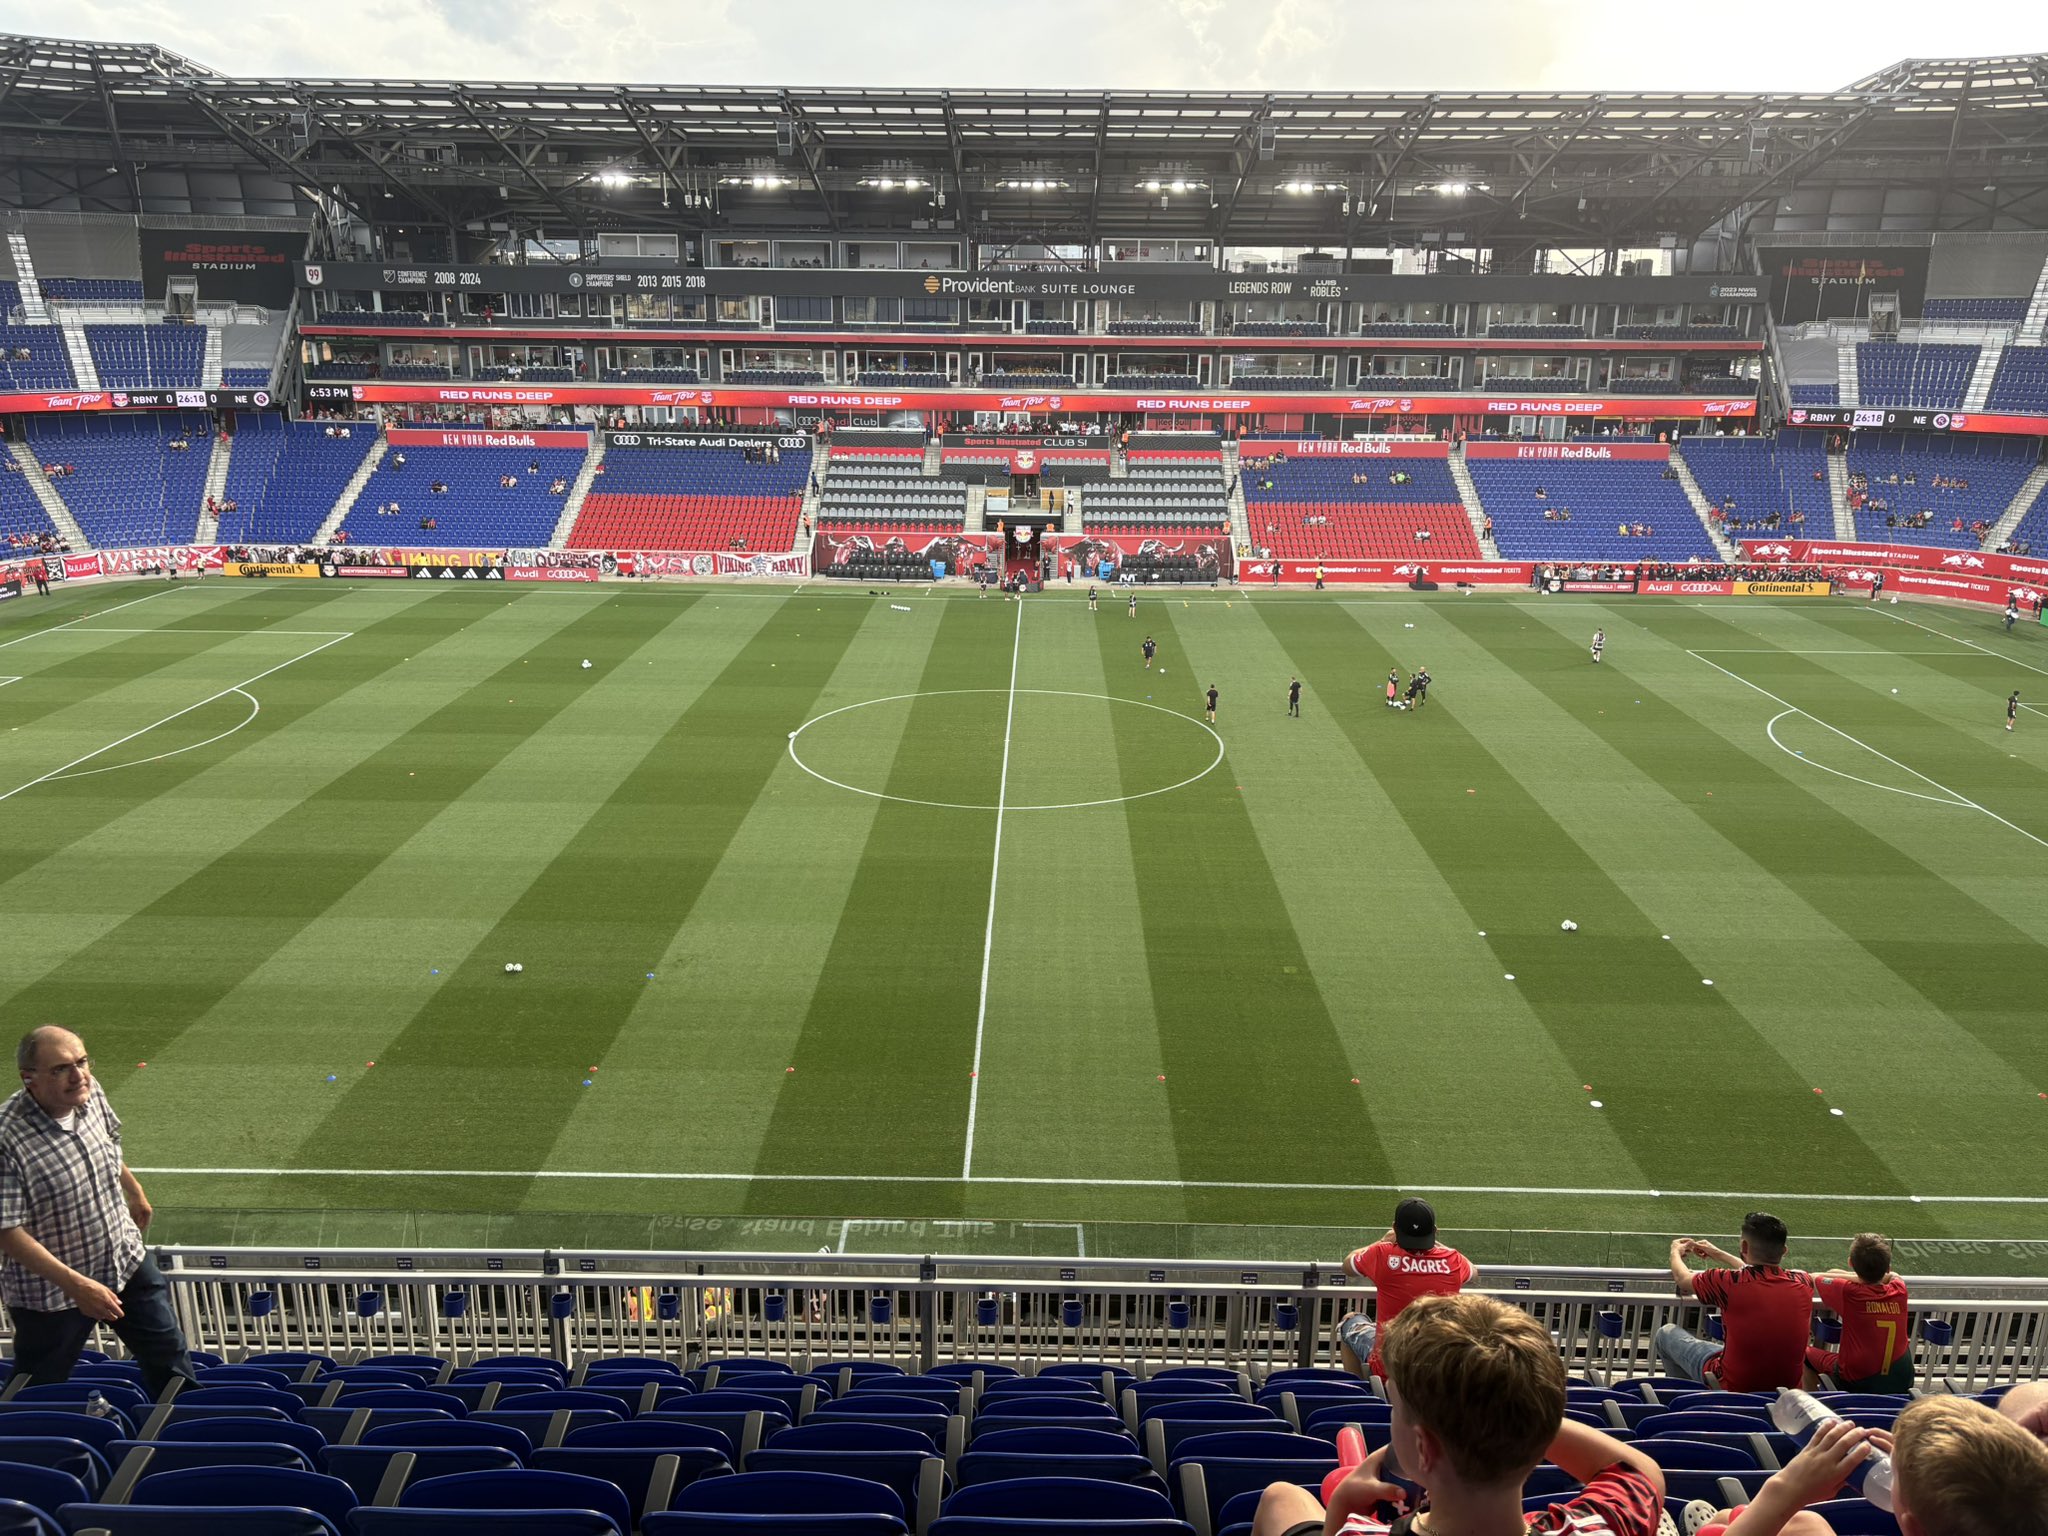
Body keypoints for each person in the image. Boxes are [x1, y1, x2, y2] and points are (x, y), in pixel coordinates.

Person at [1253, 1293, 1665, 1536]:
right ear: (1541, 1432)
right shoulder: (1593, 1528)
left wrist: (1342, 1505)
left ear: (1422, 1447)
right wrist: (1519, 1401)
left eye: (1397, 1408)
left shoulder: (1358, 1531)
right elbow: (1640, 1473)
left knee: (1280, 1497)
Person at [0, 1027, 196, 1397]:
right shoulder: (6, 1138)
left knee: (170, 1360)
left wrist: (134, 1190)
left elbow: (109, 1142)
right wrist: (78, 1285)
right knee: (38, 1387)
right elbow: (7, 1231)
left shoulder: (89, 1093)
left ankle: (185, 1425)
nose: (78, 1076)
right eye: (61, 1068)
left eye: (82, 1061)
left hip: (123, 1258)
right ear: (29, 1079)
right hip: (53, 1293)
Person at [1658, 1212, 1812, 1390]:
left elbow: (1682, 1278)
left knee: (1665, 1334)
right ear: (1784, 1250)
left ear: (1744, 1246)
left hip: (1732, 1385)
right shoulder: (1803, 1281)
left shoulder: (1728, 1282)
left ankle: (1686, 1398)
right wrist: (1719, 1254)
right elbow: (1759, 1273)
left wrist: (1675, 1251)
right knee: (1720, 1348)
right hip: (1786, 1389)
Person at [1335, 1198, 1477, 1381]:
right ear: (1435, 1231)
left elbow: (1348, 1265)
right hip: (1437, 1370)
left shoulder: (1381, 1254)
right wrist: (1437, 1244)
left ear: (1395, 1228)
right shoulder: (1453, 1260)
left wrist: (1382, 1241)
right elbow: (1474, 1272)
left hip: (1389, 1368)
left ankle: (1360, 1391)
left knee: (1350, 1322)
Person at [1804, 1232, 1913, 1393]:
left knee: (1804, 1354)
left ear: (1851, 1262)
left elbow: (1814, 1277)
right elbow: (1892, 1276)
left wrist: (1847, 1275)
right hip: (1902, 1381)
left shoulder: (1849, 1291)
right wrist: (1860, 1275)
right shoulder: (1900, 1289)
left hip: (1858, 1380)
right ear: (1887, 1267)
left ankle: (1814, 1407)